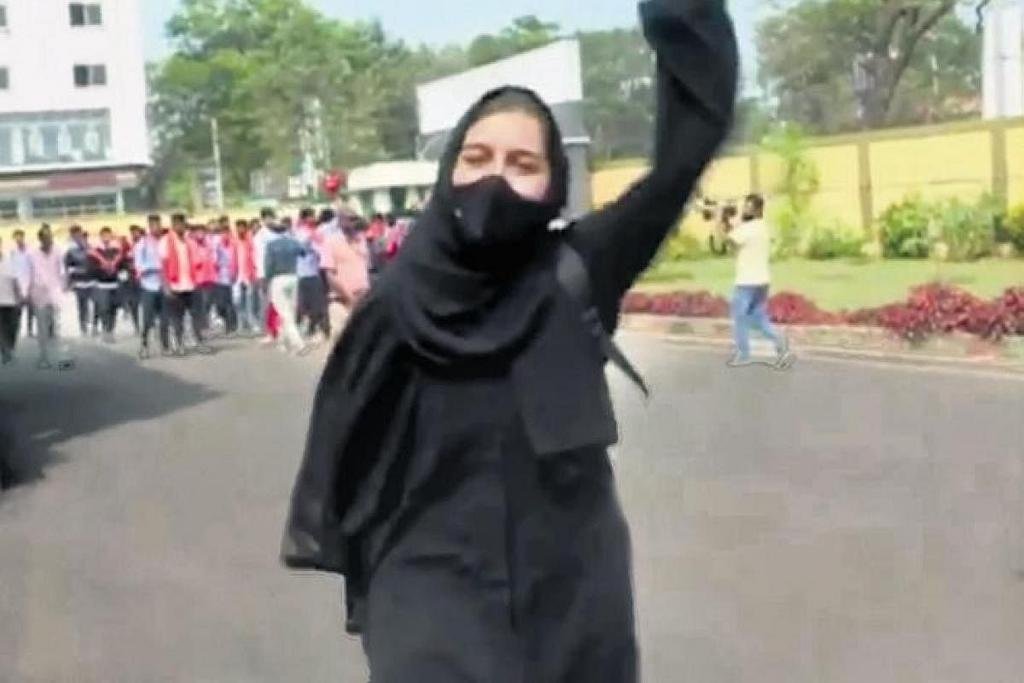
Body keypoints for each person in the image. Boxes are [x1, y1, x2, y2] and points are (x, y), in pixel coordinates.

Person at [280, 1, 738, 679]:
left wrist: (683, 13)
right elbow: (349, 453)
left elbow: (684, 154)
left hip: (571, 593)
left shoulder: (579, 269)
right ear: (448, 170)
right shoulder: (396, 303)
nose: (496, 178)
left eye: (523, 163)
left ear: (554, 185)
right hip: (426, 585)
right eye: (477, 157)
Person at [725, 193, 794, 369]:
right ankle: (781, 345)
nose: (744, 210)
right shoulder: (763, 227)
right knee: (759, 318)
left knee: (740, 318)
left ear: (756, 210)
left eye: (747, 207)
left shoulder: (747, 229)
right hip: (762, 281)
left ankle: (743, 354)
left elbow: (728, 243)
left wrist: (721, 220)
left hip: (746, 282)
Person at [161, 213, 212, 356]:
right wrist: (166, 286)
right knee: (177, 318)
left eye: (182, 224)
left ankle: (199, 343)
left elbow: (198, 262)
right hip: (175, 286)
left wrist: (198, 281)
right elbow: (163, 266)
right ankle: (179, 344)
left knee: (197, 316)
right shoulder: (165, 242)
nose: (180, 227)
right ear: (173, 225)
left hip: (191, 285)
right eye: (176, 224)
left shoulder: (190, 242)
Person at [26, 225, 69, 369]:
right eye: (45, 238)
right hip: (38, 293)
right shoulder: (32, 254)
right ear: (40, 239)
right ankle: (43, 357)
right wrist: (27, 292)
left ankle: (61, 357)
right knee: (42, 327)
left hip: (55, 292)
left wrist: (64, 287)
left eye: (50, 237)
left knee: (58, 326)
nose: (48, 240)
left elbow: (63, 271)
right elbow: (28, 273)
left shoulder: (58, 251)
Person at [263, 221, 307, 354]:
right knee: (290, 311)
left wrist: (267, 280)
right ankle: (283, 341)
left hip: (278, 279)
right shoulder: (293, 242)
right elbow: (304, 252)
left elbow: (268, 265)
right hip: (293, 277)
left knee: (284, 312)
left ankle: (298, 343)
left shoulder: (271, 245)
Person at [134, 215, 170, 359]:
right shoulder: (142, 244)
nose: (157, 228)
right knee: (148, 319)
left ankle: (165, 346)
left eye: (158, 225)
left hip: (163, 285)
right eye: (154, 225)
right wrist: (155, 267)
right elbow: (139, 266)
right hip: (148, 286)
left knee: (165, 318)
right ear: (149, 227)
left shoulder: (165, 242)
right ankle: (144, 345)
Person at [295, 207, 331, 344]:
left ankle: (315, 329)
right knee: (310, 304)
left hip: (312, 272)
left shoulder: (313, 232)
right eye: (311, 216)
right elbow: (304, 248)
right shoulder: (303, 233)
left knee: (314, 304)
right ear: (304, 218)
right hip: (306, 273)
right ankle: (313, 329)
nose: (313, 218)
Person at [88, 227, 124, 343]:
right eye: (104, 236)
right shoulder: (96, 252)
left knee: (113, 309)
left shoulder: (116, 251)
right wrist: (101, 268)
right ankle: (105, 330)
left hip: (114, 284)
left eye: (108, 235)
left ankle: (111, 330)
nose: (106, 238)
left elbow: (122, 266)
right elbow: (91, 268)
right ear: (101, 237)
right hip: (102, 285)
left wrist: (117, 269)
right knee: (104, 308)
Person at [63, 225, 96, 337]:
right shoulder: (70, 251)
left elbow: (95, 261)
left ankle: (94, 325)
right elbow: (67, 267)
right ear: (72, 236)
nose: (77, 236)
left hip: (91, 280)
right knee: (82, 305)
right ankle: (83, 327)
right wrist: (68, 282)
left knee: (95, 303)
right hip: (79, 282)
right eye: (75, 235)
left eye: (79, 234)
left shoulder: (90, 247)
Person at [234, 219, 260, 335]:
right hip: (237, 276)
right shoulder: (235, 242)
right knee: (239, 302)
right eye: (238, 227)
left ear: (245, 228)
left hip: (249, 275)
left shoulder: (250, 242)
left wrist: (254, 273)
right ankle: (241, 325)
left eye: (242, 227)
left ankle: (253, 323)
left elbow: (254, 258)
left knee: (250, 301)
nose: (240, 230)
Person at [213, 223, 239, 336]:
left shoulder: (233, 246)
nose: (225, 235)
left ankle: (231, 325)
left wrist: (235, 273)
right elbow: (213, 260)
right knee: (220, 304)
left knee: (229, 303)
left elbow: (236, 260)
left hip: (230, 277)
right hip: (219, 277)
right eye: (223, 233)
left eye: (227, 233)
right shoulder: (217, 245)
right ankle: (227, 322)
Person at [0, 235, 23, 365]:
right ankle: (6, 352)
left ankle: (10, 348)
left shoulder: (9, 261)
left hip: (11, 301)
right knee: (1, 329)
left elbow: (15, 281)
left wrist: (19, 297)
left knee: (13, 327)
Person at [117, 229, 142, 336]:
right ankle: (137, 326)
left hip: (142, 280)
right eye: (132, 233)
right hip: (131, 281)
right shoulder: (126, 249)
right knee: (134, 304)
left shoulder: (144, 246)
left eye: (136, 233)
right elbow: (120, 266)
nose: (134, 235)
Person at [10, 229, 34, 338]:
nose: (18, 239)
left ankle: (30, 329)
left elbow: (33, 268)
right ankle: (17, 329)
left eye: (20, 237)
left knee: (30, 310)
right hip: (18, 284)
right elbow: (12, 269)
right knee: (17, 311)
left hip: (29, 282)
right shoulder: (13, 253)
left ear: (23, 237)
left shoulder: (30, 251)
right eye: (16, 238)